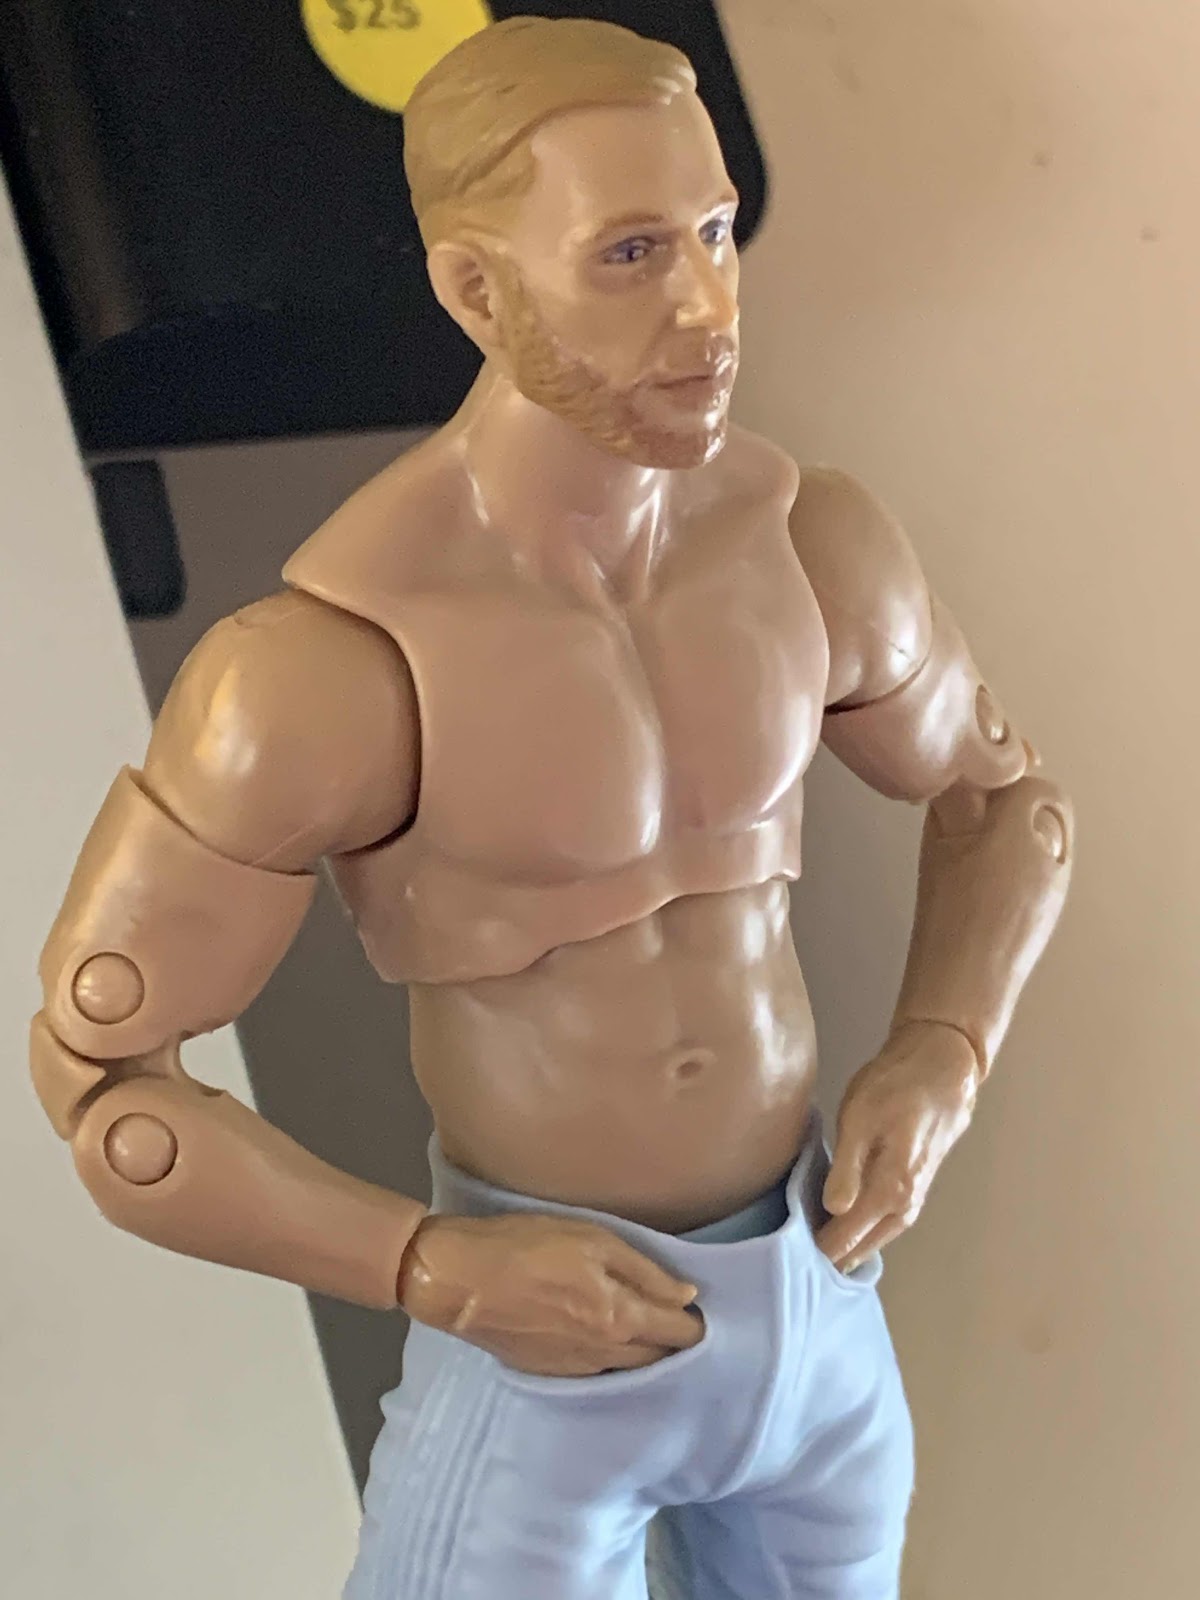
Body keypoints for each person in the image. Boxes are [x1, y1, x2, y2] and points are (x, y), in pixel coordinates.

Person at [30, 17, 1073, 1599]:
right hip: (545, 1357)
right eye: (631, 253)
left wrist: (944, 1050)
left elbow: (1007, 808)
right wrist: (428, 1266)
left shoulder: (813, 545)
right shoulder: (332, 664)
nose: (707, 308)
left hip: (815, 1301)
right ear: (476, 288)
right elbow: (109, 1090)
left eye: (715, 231)